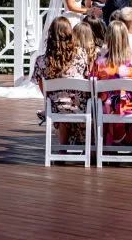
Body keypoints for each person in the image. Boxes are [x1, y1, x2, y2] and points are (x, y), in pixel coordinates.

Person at [31, 16, 89, 144]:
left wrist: (50, 97)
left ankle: (63, 147)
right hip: (80, 105)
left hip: (55, 106)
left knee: (61, 103)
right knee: (74, 101)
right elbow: (86, 77)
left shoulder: (41, 60)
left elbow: (41, 85)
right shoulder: (81, 54)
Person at [92, 21, 132, 146]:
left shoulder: (99, 63)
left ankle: (107, 144)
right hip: (131, 108)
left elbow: (92, 86)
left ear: (108, 38)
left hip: (106, 109)